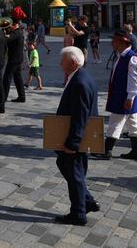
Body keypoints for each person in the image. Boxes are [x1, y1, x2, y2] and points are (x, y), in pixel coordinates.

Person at [53, 46, 99, 226]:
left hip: (76, 139)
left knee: (75, 174)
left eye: (62, 61)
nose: (59, 64)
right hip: (77, 137)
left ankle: (78, 214)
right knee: (69, 168)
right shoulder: (82, 75)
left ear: (72, 63)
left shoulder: (80, 83)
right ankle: (86, 201)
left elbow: (81, 116)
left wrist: (72, 143)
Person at [93, 29, 137, 161]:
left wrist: (130, 98)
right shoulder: (120, 56)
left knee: (115, 122)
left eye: (114, 40)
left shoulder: (132, 59)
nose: (112, 43)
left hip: (126, 97)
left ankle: (107, 150)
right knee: (133, 123)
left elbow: (135, 81)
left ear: (123, 42)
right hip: (123, 95)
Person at [2, 7, 27, 106]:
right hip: (17, 59)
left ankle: (3, 97)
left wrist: (3, 32)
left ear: (14, 24)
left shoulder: (16, 33)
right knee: (18, 78)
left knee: (7, 77)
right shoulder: (16, 32)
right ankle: (22, 97)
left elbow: (6, 40)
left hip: (14, 59)